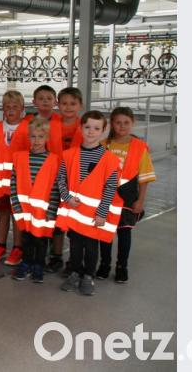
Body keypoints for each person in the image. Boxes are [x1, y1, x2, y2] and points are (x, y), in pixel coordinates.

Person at [56, 111, 121, 296]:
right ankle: (75, 273)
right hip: (75, 213)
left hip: (93, 216)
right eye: (87, 127)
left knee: (92, 248)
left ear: (104, 130)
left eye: (96, 128)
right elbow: (61, 179)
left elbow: (110, 188)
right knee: (75, 246)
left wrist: (102, 213)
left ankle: (88, 276)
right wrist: (67, 198)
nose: (91, 131)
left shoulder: (109, 159)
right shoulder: (69, 155)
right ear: (80, 128)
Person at [97, 107, 156, 283]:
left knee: (124, 233)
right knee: (105, 233)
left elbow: (144, 178)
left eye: (126, 122)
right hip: (106, 196)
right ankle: (104, 264)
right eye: (118, 122)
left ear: (133, 123)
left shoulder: (140, 147)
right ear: (111, 124)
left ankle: (122, 267)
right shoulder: (103, 145)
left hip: (128, 197)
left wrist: (140, 201)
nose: (122, 126)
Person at [10, 117, 61, 283]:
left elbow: (55, 188)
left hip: (43, 212)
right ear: (28, 137)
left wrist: (52, 211)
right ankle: (26, 263)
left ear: (47, 138)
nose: (36, 140)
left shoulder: (54, 160)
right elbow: (13, 183)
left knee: (41, 240)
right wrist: (16, 205)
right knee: (26, 238)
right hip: (24, 210)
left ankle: (39, 265)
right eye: (33, 136)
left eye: (40, 136)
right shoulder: (19, 157)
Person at [0, 90, 30, 265]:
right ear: (2, 108)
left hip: (21, 182)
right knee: (2, 214)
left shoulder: (30, 128)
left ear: (22, 108)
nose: (11, 110)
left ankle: (18, 248)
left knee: (17, 215)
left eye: (15, 107)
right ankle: (0, 245)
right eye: (7, 107)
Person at [46, 87, 84, 274]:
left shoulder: (87, 127)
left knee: (76, 222)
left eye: (73, 104)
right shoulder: (49, 126)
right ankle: (56, 256)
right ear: (57, 105)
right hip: (53, 180)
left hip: (77, 183)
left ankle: (75, 261)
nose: (68, 107)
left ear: (80, 105)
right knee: (55, 220)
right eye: (64, 103)